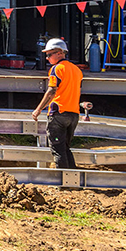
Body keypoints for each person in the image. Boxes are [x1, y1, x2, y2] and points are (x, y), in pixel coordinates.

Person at [32, 37, 84, 170]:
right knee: (65, 148)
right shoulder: (77, 71)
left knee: (58, 150)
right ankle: (73, 179)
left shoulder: (57, 69)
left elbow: (51, 91)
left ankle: (63, 182)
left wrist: (38, 109)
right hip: (73, 114)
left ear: (60, 53)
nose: (48, 58)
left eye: (49, 55)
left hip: (59, 113)